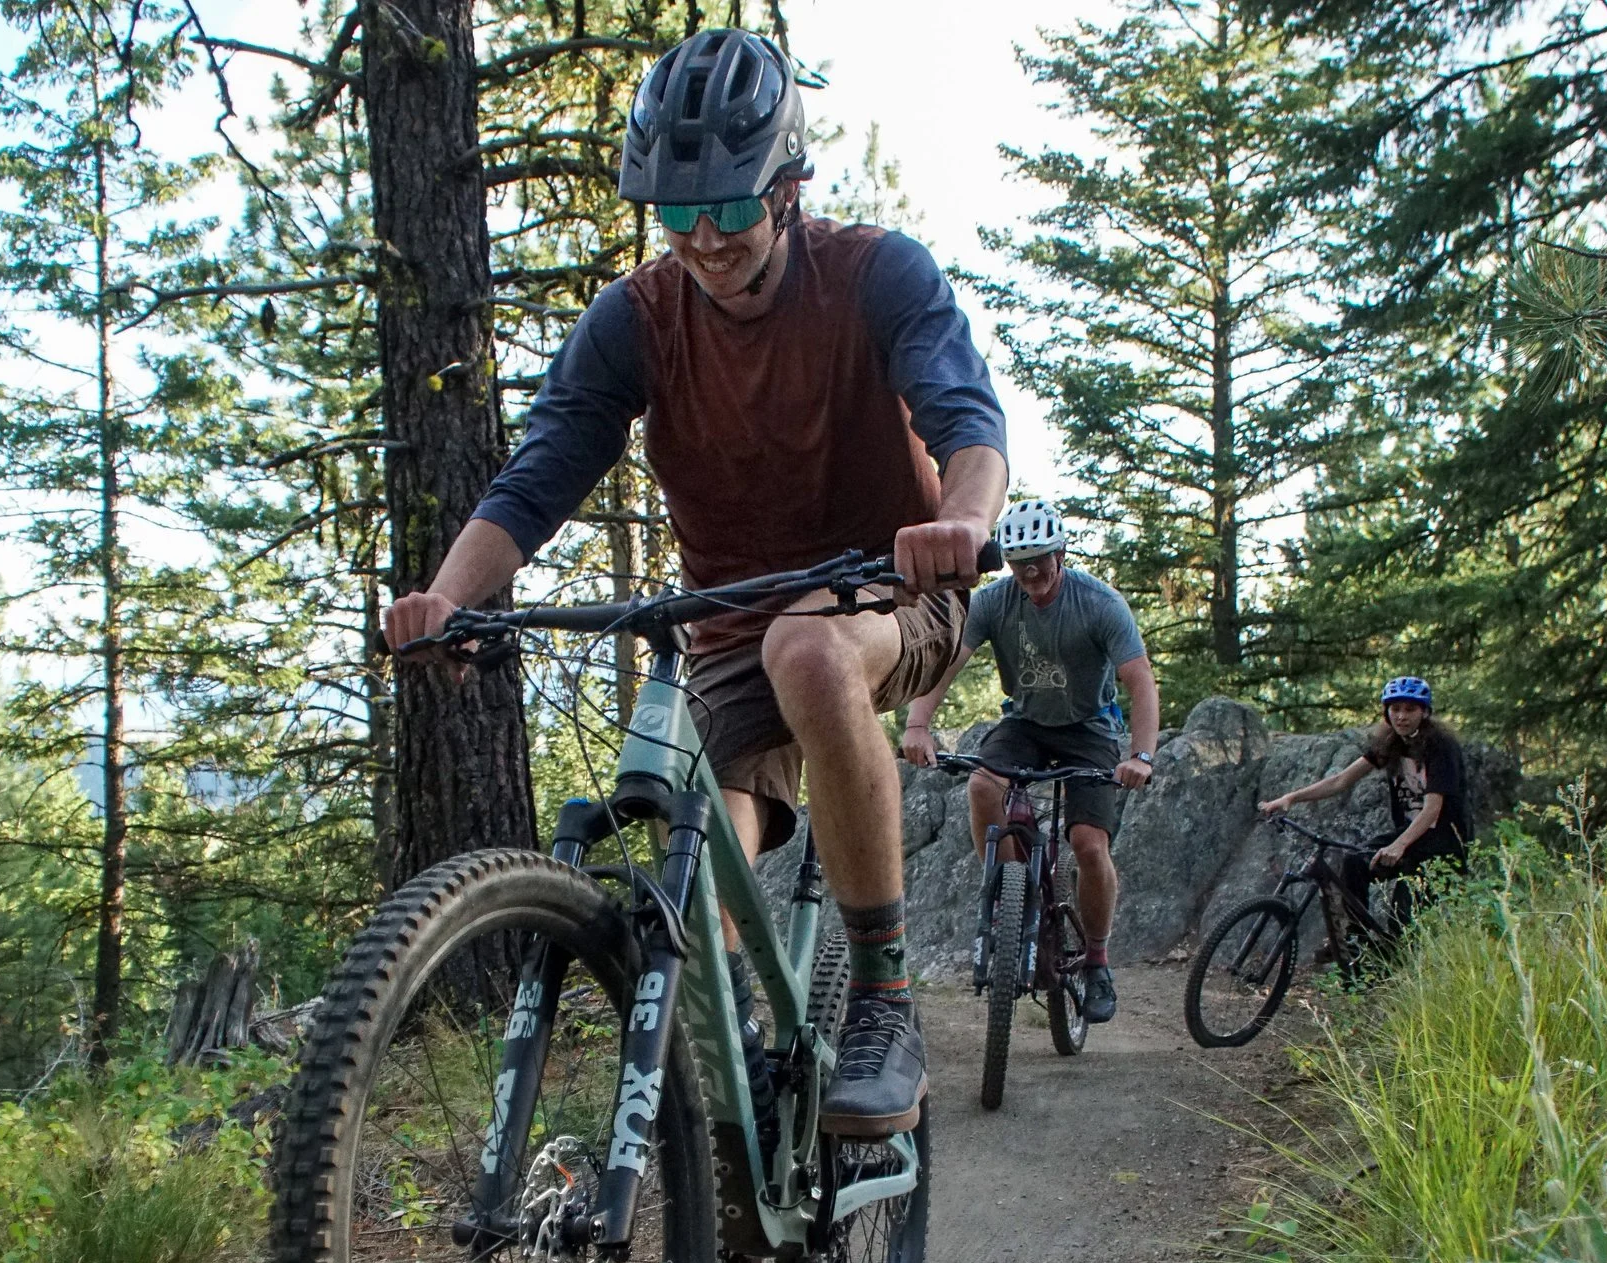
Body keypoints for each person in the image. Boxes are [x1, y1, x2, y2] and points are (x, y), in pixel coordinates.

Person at [382, 28, 1008, 1139]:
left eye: (726, 208)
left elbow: (967, 423)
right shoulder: (638, 319)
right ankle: (728, 1198)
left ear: (786, 186)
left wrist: (957, 524)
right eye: (675, 217)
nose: (703, 241)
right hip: (730, 633)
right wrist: (446, 597)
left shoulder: (875, 273)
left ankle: (883, 998)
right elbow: (539, 475)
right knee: (691, 891)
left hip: (889, 593)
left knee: (809, 649)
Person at [899, 499, 1159, 1023]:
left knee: (1088, 844)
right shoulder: (995, 602)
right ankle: (1008, 899)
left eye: (1040, 558)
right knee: (981, 786)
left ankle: (1098, 961)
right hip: (1025, 724)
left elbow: (1140, 682)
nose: (1031, 571)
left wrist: (1141, 755)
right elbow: (948, 664)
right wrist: (917, 724)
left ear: (1060, 552)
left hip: (1090, 729)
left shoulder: (1100, 604)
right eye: (1020, 562)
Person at [1257, 676, 1470, 941]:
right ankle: (1357, 942)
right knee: (1355, 863)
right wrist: (1290, 798)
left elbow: (1432, 809)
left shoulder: (1441, 747)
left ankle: (1396, 967)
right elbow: (1341, 780)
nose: (1401, 716)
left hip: (1444, 845)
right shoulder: (1391, 744)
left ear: (1425, 712)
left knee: (1403, 921)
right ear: (1386, 712)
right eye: (1395, 709)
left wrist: (1398, 845)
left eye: (1410, 709)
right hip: (1411, 837)